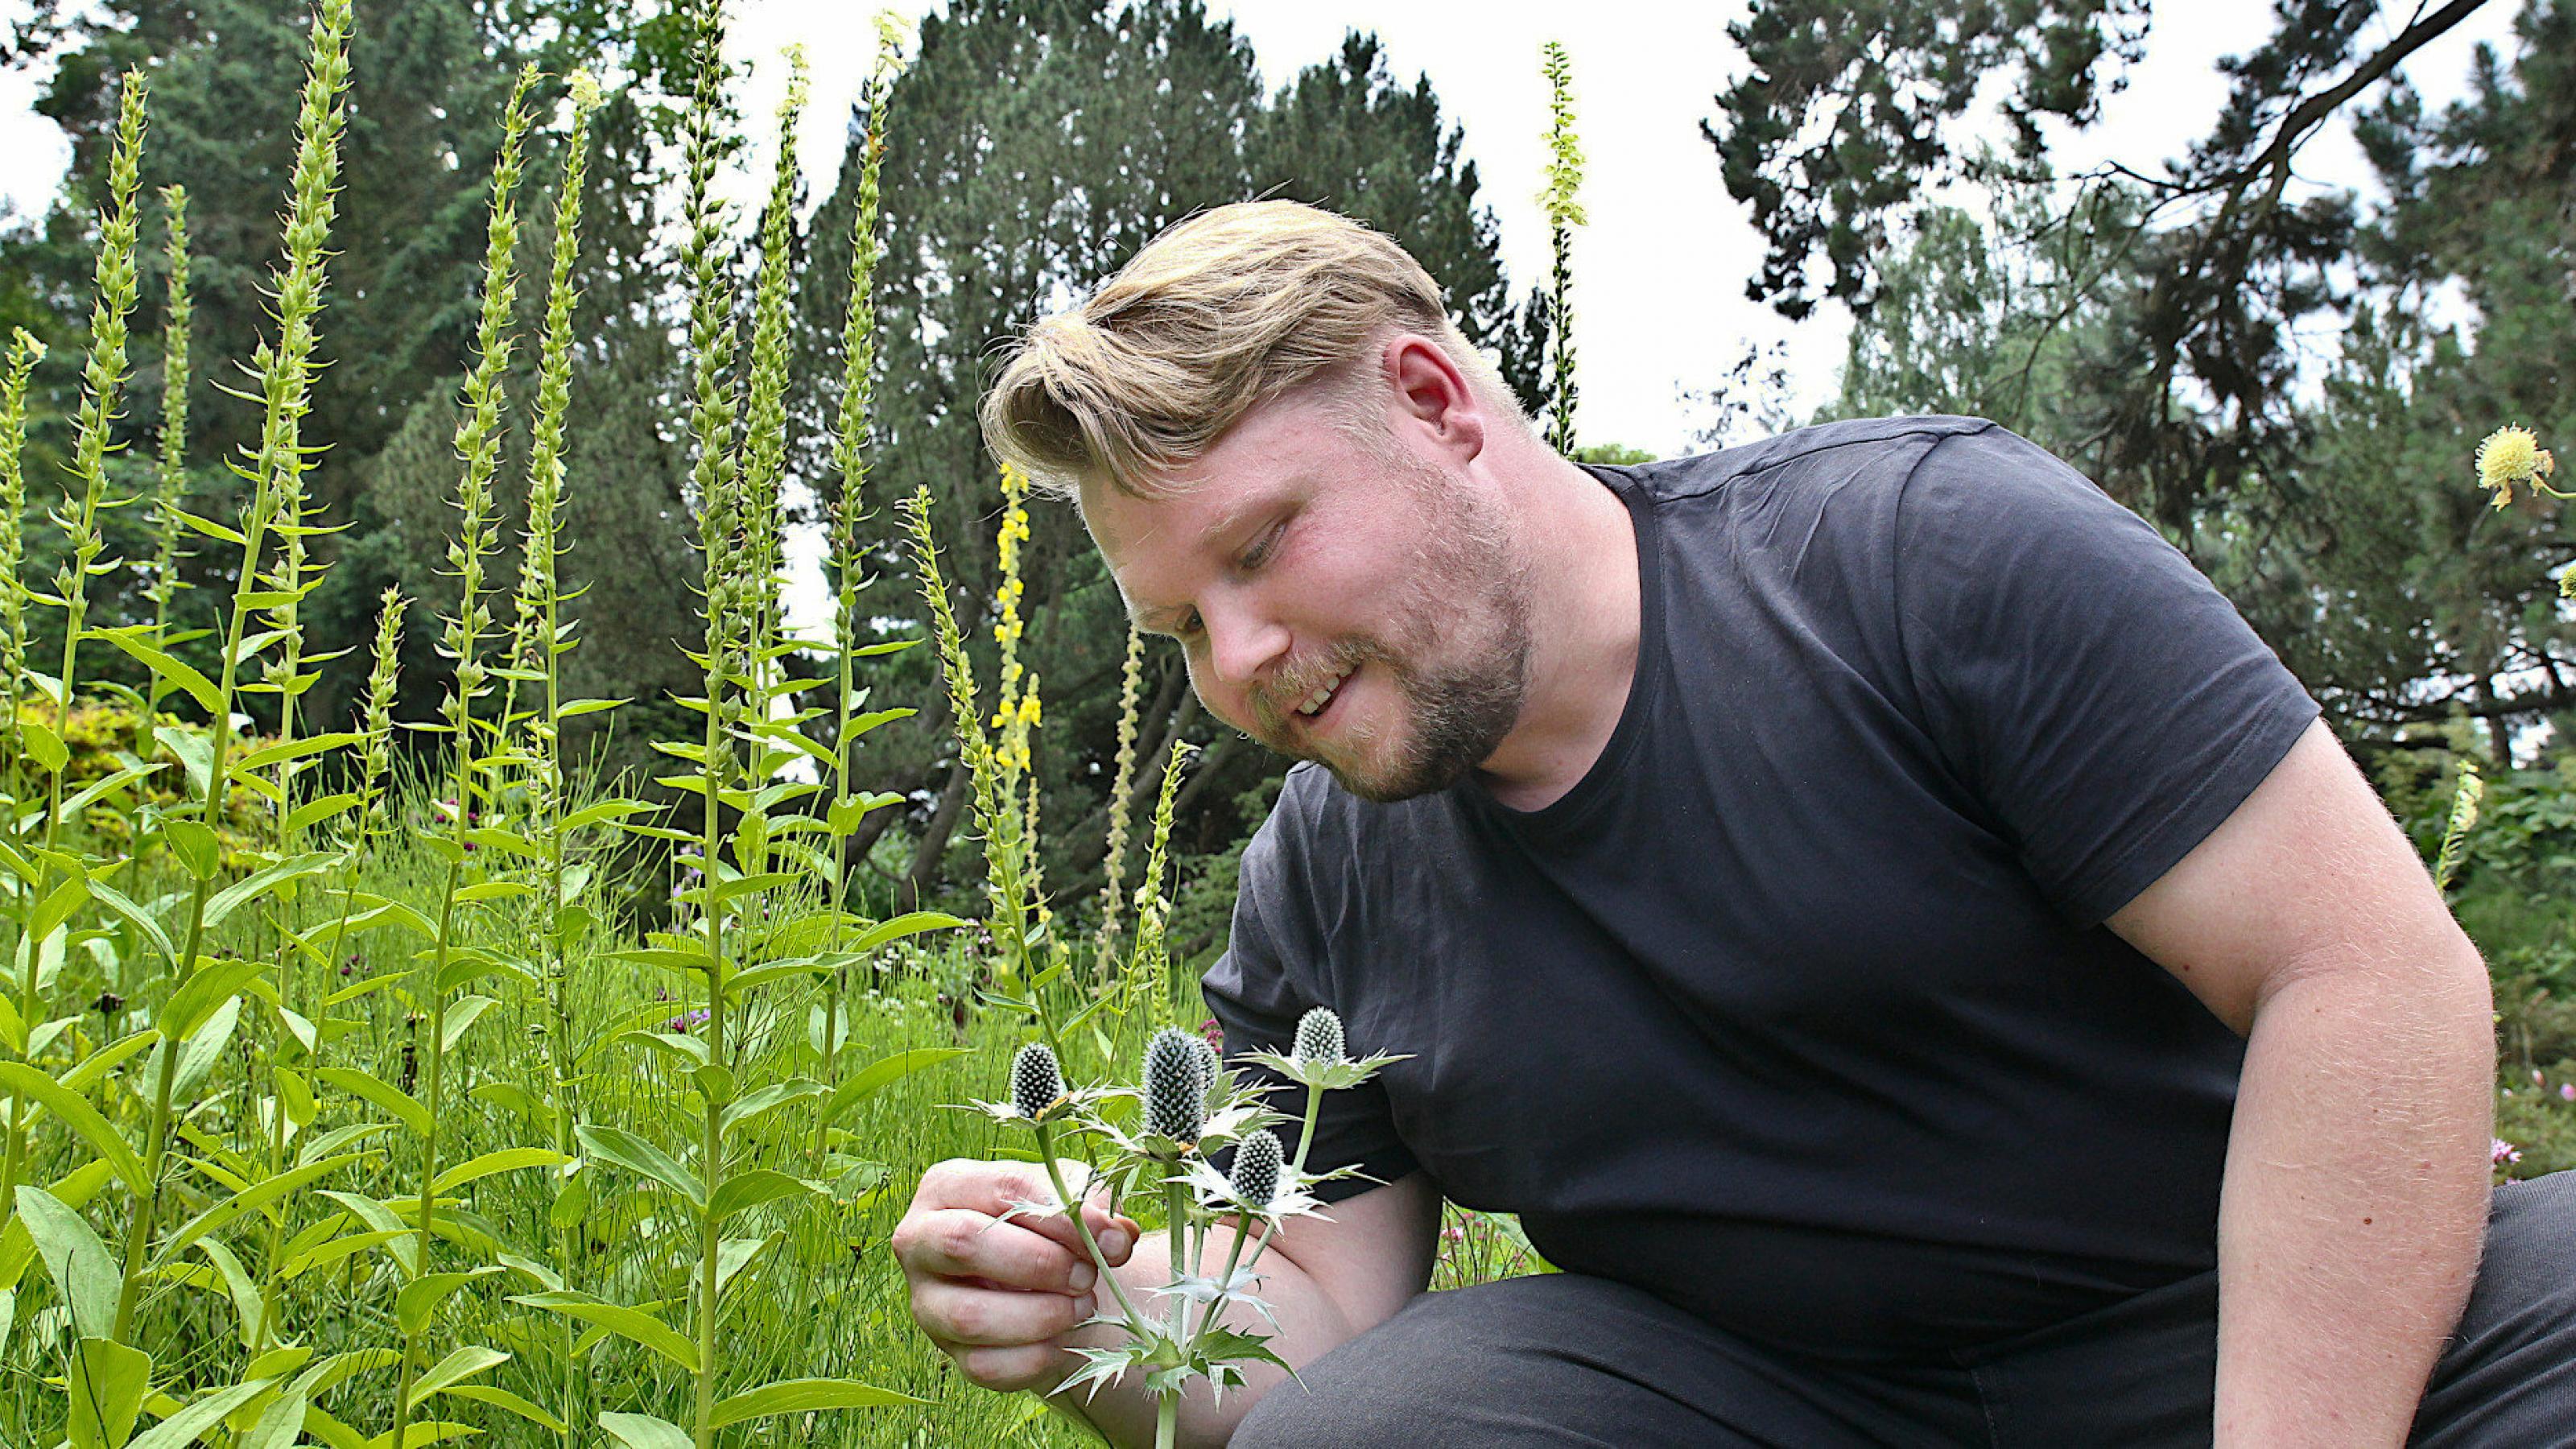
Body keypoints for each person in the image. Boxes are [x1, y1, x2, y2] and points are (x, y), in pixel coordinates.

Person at [890, 200, 2576, 1447]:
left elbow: (2363, 972)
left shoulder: (1921, 556)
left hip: (2252, 1331)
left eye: (1259, 550)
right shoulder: (1321, 882)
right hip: (1776, 1407)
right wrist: (1093, 1314)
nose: (1239, 663)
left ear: (1434, 399)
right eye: (1182, 626)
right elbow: (1316, 1323)